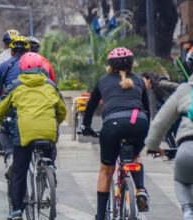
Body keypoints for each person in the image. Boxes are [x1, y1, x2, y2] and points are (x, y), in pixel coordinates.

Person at [0, 52, 67, 220]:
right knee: (50, 147)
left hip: (24, 134)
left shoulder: (16, 85)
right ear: (42, 67)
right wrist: (56, 122)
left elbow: (0, 108)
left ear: (21, 69)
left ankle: (17, 210)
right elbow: (62, 111)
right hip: (48, 132)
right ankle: (50, 168)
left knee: (19, 170)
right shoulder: (51, 85)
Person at [81, 47, 150, 220]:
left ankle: (100, 216)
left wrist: (86, 126)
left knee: (106, 170)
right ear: (132, 64)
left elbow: (90, 108)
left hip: (113, 124)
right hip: (139, 122)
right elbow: (147, 110)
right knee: (135, 156)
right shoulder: (140, 81)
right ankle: (140, 189)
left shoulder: (103, 81)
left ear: (110, 65)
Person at [145, 43, 193, 220]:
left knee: (181, 179)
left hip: (189, 151)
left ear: (191, 67)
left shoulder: (184, 90)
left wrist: (153, 146)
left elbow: (160, 123)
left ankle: (188, 211)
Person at [0, 36, 31, 172]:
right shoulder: (38, 65)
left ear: (11, 51)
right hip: (34, 105)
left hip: (12, 103)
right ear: (29, 51)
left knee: (4, 130)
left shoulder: (4, 66)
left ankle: (10, 155)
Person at [142, 72, 180, 149]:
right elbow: (152, 107)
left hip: (175, 111)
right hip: (168, 114)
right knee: (169, 133)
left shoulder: (161, 83)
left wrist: (174, 99)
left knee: (172, 133)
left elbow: (179, 87)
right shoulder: (150, 90)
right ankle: (175, 151)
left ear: (149, 79)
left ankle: (175, 151)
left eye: (143, 80)